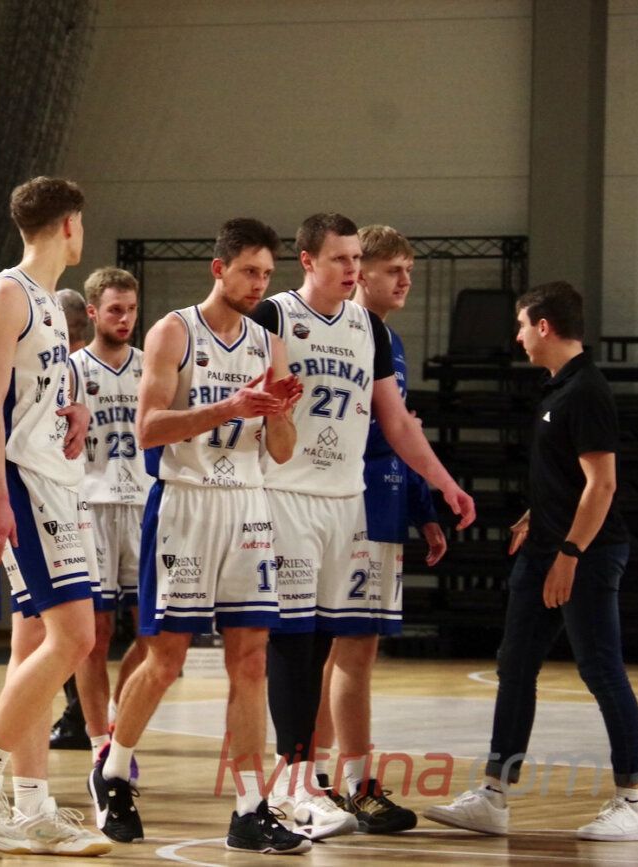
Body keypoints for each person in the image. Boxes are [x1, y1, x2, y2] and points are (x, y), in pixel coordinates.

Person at [88, 219, 308, 854]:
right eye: (249, 271)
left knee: (252, 660)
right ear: (219, 268)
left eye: (266, 274)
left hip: (249, 504)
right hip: (185, 502)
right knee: (166, 659)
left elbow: (283, 451)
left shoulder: (269, 342)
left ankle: (250, 808)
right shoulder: (174, 331)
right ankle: (112, 771)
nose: (259, 284)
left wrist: (278, 412)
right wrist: (230, 408)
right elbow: (148, 429)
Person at [250, 213, 474, 839]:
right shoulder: (272, 317)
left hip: (347, 500)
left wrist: (444, 483)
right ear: (308, 261)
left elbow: (396, 421)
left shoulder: (367, 327)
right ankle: (292, 783)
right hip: (286, 494)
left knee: (326, 640)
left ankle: (311, 782)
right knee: (293, 642)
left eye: (356, 259)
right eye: (341, 259)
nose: (351, 269)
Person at [426, 282, 638, 842]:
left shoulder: (585, 390)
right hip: (544, 548)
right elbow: (566, 478)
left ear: (544, 326)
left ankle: (631, 803)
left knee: (601, 669)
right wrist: (536, 514)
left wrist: (570, 553)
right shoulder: (557, 388)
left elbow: (602, 485)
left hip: (585, 554)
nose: (518, 336)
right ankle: (493, 795)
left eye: (522, 325)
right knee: (515, 665)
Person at [0, 176, 110, 856]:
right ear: (68, 224)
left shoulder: (46, 301)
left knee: (35, 642)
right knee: (75, 638)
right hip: (22, 483)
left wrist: (73, 408)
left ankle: (33, 805)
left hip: (54, 480)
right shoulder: (5, 293)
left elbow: (31, 393)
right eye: (81, 222)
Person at [313, 225, 448, 762]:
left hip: (385, 504)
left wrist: (423, 508)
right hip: (345, 504)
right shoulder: (332, 333)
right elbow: (376, 430)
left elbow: (401, 435)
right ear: (360, 273)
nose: (405, 280)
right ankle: (335, 775)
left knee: (351, 648)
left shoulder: (392, 343)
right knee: (344, 646)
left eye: (409, 270)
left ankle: (324, 774)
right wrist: (396, 429)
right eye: (394, 270)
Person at [69, 268, 148, 762]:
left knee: (155, 634)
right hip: (91, 505)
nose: (125, 318)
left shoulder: (151, 366)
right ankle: (100, 742)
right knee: (93, 637)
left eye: (132, 309)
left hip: (144, 504)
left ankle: (120, 711)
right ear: (93, 312)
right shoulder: (72, 369)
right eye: (115, 309)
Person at [48, 287, 92, 751]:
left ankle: (89, 718)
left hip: (75, 499)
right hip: (72, 498)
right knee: (70, 628)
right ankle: (83, 715)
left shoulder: (67, 369)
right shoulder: (55, 367)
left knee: (73, 629)